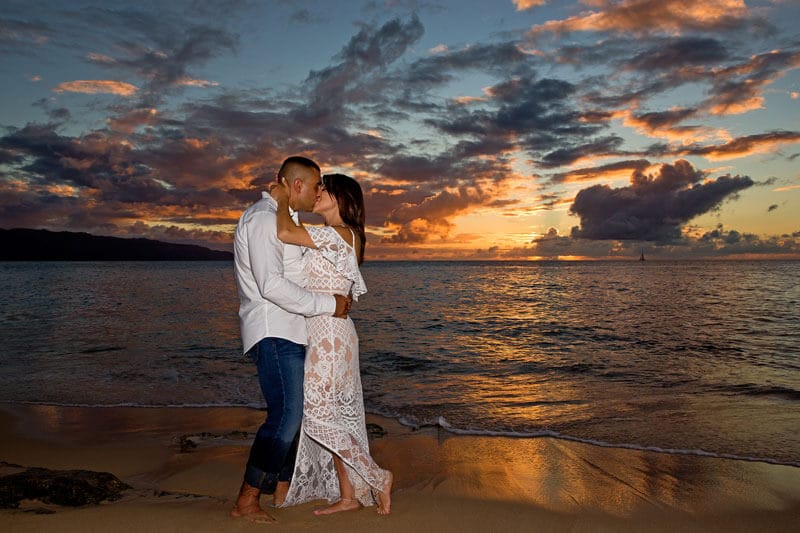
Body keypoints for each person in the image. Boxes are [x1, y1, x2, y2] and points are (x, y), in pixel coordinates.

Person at [230, 156, 352, 523]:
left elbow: (299, 273)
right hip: (273, 329)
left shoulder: (284, 219)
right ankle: (246, 501)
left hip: (292, 329)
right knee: (286, 415)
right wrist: (329, 305)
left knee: (295, 415)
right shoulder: (263, 219)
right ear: (297, 185)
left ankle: (281, 487)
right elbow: (271, 286)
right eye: (316, 185)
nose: (318, 193)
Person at [268, 173, 393, 515]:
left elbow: (285, 232)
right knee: (335, 416)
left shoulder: (343, 234)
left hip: (331, 334)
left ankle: (378, 477)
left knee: (318, 417)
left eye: (324, 188)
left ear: (341, 197)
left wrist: (281, 199)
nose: (317, 192)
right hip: (324, 331)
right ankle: (349, 496)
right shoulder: (329, 235)